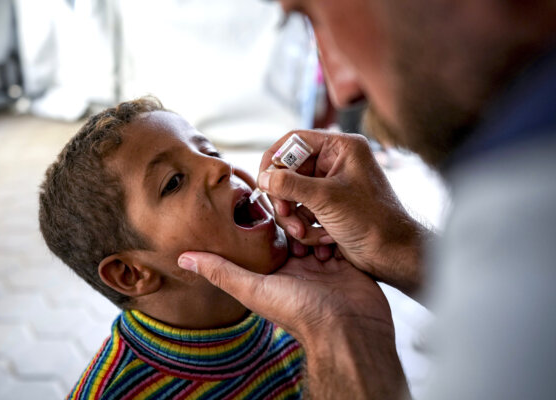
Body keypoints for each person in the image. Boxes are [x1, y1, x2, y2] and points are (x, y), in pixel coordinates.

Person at [177, 0, 556, 399]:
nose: (343, 91)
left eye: (315, 16)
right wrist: (395, 245)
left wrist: (336, 331)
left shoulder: (525, 218)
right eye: (172, 182)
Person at [38, 97, 305, 399]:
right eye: (174, 182)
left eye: (210, 151)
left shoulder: (301, 304)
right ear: (131, 273)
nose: (221, 167)